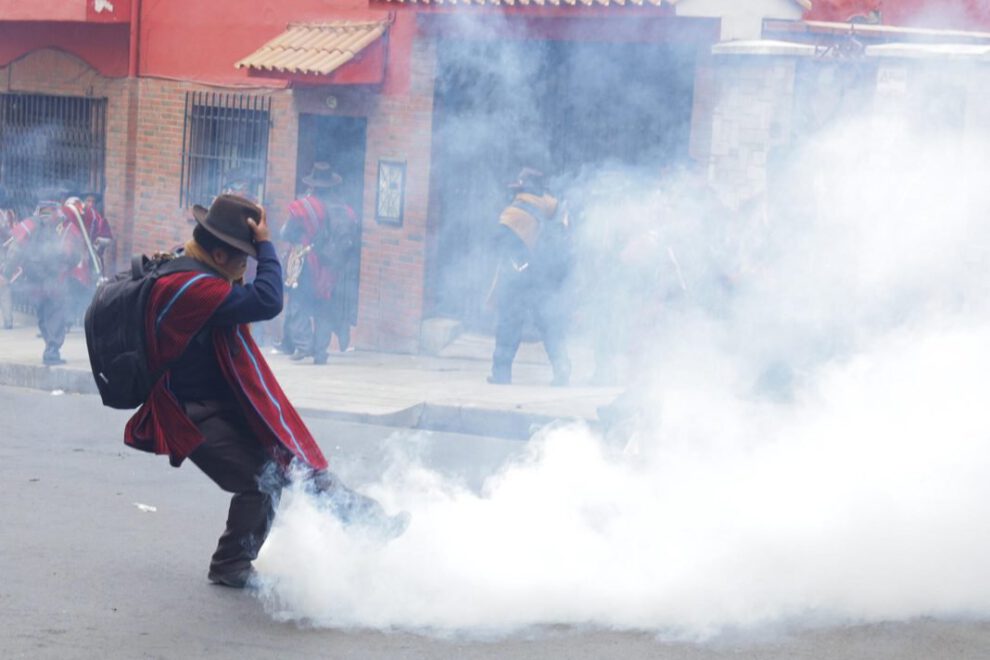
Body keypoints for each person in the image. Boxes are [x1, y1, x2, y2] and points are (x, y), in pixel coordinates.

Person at [123, 194, 405, 588]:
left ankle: (368, 521)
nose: (247, 265)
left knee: (291, 463)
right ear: (219, 256)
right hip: (189, 409)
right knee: (261, 481)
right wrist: (268, 245)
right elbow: (268, 300)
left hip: (219, 399)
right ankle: (230, 565)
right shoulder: (193, 287)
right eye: (243, 257)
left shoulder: (186, 265)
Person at [488, 167, 572, 386]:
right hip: (546, 278)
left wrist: (516, 263)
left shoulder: (515, 211)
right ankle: (562, 370)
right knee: (549, 326)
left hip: (518, 277)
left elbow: (498, 242)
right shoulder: (556, 210)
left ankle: (501, 374)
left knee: (509, 324)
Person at [279, 162, 359, 364]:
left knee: (299, 303)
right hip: (332, 265)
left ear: (313, 185)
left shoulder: (303, 207)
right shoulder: (346, 210)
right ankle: (321, 352)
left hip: (307, 261)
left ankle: (304, 345)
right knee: (325, 306)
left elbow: (285, 233)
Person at [2, 200, 79, 364]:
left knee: (46, 313)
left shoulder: (36, 226)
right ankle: (52, 349)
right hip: (48, 279)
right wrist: (6, 274)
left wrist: (7, 274)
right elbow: (16, 249)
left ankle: (51, 348)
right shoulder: (41, 227)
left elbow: (16, 250)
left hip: (39, 279)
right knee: (53, 313)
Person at [0, 186, 18, 329]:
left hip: (3, 252)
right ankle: (8, 320)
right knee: (4, 287)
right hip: (7, 253)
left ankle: (8, 320)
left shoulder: (5, 215)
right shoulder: (10, 214)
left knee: (4, 286)